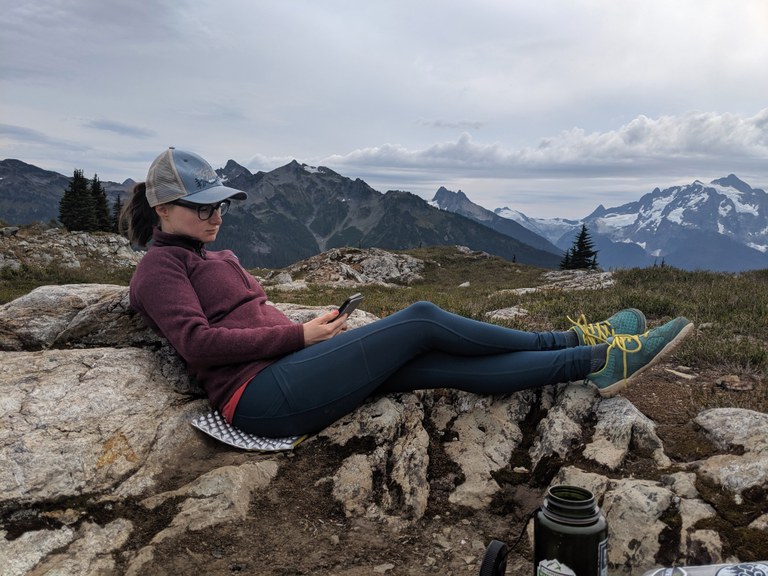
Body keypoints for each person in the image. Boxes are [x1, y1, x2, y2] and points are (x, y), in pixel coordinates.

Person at [123, 148, 694, 438]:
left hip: (291, 367)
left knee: (429, 362)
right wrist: (299, 334)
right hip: (257, 398)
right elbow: (198, 344)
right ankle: (580, 344)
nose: (216, 214)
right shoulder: (157, 271)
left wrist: (312, 329)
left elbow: (247, 318)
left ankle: (589, 365)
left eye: (219, 203)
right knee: (419, 318)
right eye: (203, 206)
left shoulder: (208, 255)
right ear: (162, 209)